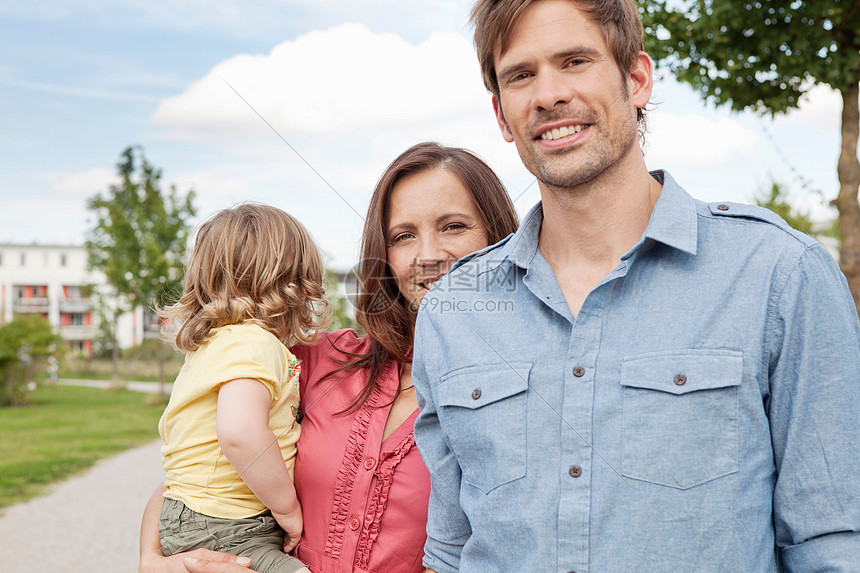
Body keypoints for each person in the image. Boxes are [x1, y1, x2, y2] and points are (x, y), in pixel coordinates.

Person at [412, 1, 860, 572]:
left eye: (574, 61)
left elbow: (833, 545)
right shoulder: (454, 311)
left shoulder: (778, 274)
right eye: (521, 75)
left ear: (637, 79)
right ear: (502, 115)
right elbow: (450, 553)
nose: (548, 95)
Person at [138, 142, 520, 573]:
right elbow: (192, 475)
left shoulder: (528, 387)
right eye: (403, 235)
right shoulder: (315, 361)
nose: (427, 255)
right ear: (384, 254)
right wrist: (155, 562)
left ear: (501, 238)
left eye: (453, 226)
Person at [155, 204, 330, 573]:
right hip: (227, 523)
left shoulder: (212, 346)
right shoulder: (256, 344)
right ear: (293, 281)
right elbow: (239, 432)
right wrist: (288, 508)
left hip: (190, 513)